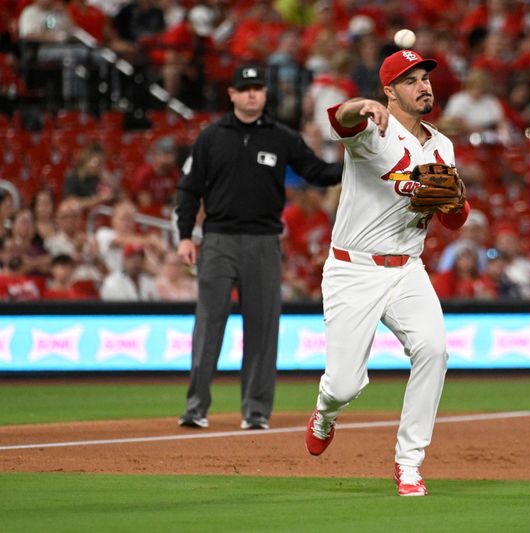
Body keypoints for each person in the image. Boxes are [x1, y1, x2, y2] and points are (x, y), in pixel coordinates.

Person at [304, 49, 470, 497]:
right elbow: (340, 119)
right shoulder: (373, 129)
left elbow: (454, 219)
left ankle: (409, 463)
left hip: (407, 268)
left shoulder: (442, 145)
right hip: (353, 269)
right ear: (390, 91)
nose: (424, 86)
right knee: (343, 384)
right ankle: (325, 410)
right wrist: (363, 105)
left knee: (434, 350)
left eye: (426, 78)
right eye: (411, 80)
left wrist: (456, 203)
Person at [175, 64, 342, 431]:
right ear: (232, 94)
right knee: (208, 324)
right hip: (217, 239)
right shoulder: (210, 137)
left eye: (257, 88)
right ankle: (196, 407)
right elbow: (189, 189)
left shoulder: (281, 137)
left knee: (263, 327)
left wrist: (355, 164)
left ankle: (256, 411)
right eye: (244, 88)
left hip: (265, 241)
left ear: (265, 94)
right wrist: (186, 235)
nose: (252, 94)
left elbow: (316, 171)